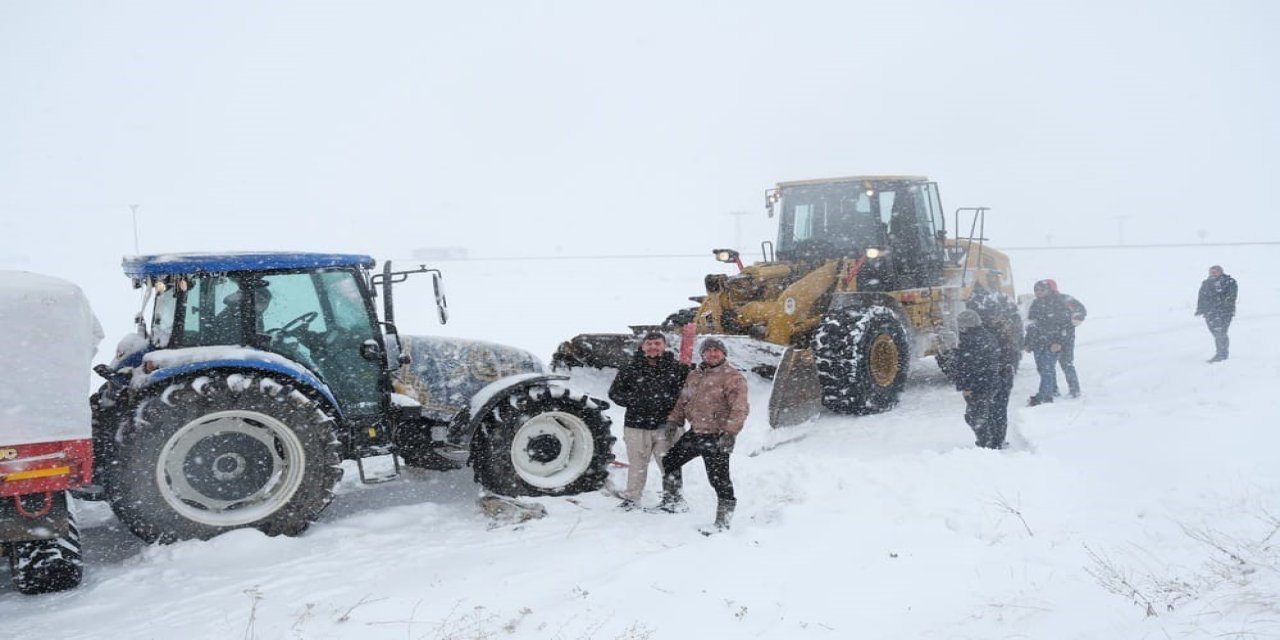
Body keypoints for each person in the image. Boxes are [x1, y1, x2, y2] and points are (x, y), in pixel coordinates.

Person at [656, 338, 749, 534]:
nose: (712, 354)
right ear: (702, 354)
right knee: (671, 460)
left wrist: (730, 432)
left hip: (717, 436)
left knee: (719, 479)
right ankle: (673, 501)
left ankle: (723, 523)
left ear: (724, 354)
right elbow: (684, 399)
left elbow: (740, 408)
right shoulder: (694, 375)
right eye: (708, 351)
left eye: (717, 350)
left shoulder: (733, 377)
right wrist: (674, 420)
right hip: (696, 432)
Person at [607, 332, 691, 510]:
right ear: (643, 346)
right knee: (637, 464)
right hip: (636, 425)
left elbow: (689, 394)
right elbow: (614, 393)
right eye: (649, 343)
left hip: (667, 426)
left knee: (670, 464)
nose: (653, 347)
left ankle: (673, 499)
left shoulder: (677, 368)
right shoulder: (630, 368)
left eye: (657, 343)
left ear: (664, 345)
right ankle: (632, 498)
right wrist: (634, 400)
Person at [965, 279, 1021, 446]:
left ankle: (990, 440)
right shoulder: (1003, 327)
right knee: (998, 408)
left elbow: (988, 357)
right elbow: (1010, 351)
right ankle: (996, 439)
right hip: (1002, 372)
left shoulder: (984, 333)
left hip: (995, 374)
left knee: (987, 409)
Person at [953, 310, 1005, 449]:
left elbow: (968, 366)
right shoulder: (987, 336)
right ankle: (994, 441)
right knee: (988, 413)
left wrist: (967, 386)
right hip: (990, 382)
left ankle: (985, 444)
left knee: (975, 416)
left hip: (979, 385)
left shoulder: (969, 341)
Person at [1024, 279, 1074, 406]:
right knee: (1042, 369)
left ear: (1048, 290)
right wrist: (1028, 342)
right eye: (1036, 290)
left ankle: (1044, 397)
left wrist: (1058, 342)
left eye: (1041, 290)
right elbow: (1031, 325)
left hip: (1053, 342)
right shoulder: (1035, 304)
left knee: (1047, 368)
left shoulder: (1058, 303)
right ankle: (1052, 390)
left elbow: (1064, 325)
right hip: (1038, 342)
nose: (1038, 292)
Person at [1195, 264, 1238, 362]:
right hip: (1210, 312)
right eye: (1211, 272)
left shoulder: (1229, 282)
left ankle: (1222, 354)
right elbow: (1201, 296)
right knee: (1214, 332)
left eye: (1215, 272)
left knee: (1221, 332)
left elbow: (1231, 297)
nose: (1213, 274)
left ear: (1220, 272)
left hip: (1224, 312)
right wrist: (1200, 309)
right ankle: (1221, 352)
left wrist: (1223, 307)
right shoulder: (1206, 283)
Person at [1050, 282, 1087, 397]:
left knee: (1062, 363)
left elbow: (1081, 311)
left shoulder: (1064, 300)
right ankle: (1071, 390)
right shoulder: (1062, 299)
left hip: (1065, 336)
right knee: (1062, 364)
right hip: (1056, 337)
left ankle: (1071, 390)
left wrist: (1073, 322)